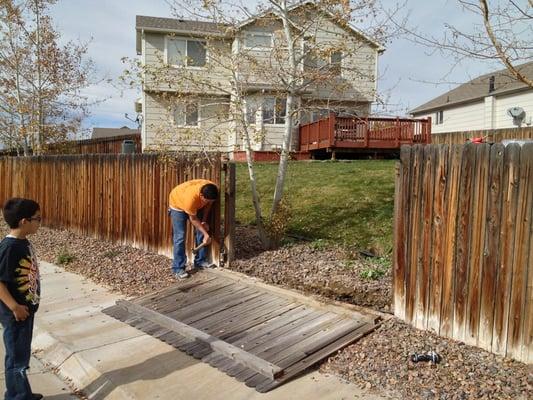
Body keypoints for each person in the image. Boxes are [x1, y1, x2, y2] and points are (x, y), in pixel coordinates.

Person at [0, 198, 43, 400]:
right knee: (17, 359)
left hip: (25, 312)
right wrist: (15, 307)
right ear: (24, 221)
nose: (39, 222)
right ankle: (17, 397)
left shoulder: (22, 242)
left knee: (21, 356)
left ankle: (21, 393)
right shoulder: (9, 248)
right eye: (37, 218)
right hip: (16, 314)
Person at [169, 179, 219, 279]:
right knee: (180, 237)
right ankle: (178, 268)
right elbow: (193, 219)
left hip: (193, 203)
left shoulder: (213, 189)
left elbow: (208, 206)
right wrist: (206, 234)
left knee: (201, 229)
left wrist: (204, 221)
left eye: (211, 201)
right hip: (177, 204)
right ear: (201, 196)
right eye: (207, 201)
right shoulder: (190, 199)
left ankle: (200, 262)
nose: (209, 203)